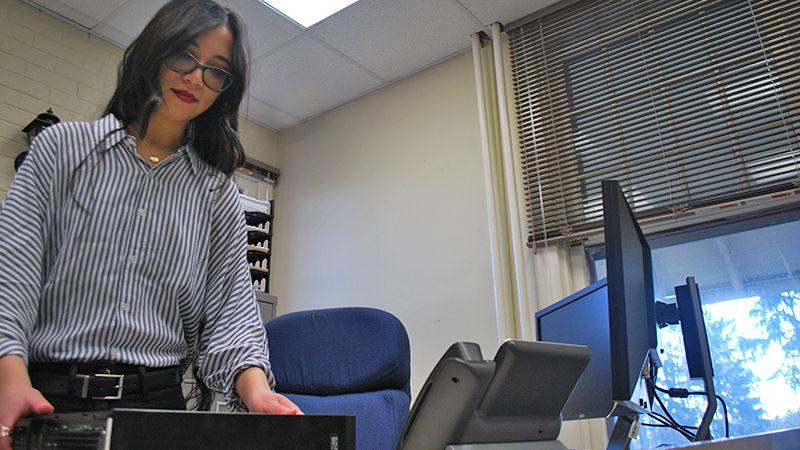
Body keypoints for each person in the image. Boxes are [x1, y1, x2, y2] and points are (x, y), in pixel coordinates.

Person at [0, 0, 301, 445]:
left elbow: (231, 306)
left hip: (157, 408)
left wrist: (256, 390)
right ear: (155, 50)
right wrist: (10, 378)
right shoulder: (60, 150)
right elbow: (13, 276)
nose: (195, 77)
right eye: (185, 54)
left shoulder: (214, 192)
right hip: (47, 398)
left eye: (216, 70)